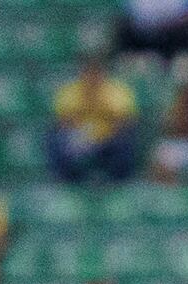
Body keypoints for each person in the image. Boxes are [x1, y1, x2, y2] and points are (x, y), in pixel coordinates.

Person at [49, 41, 145, 186]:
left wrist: (102, 136)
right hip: (79, 138)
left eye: (96, 72)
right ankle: (66, 183)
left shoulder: (118, 91)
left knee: (126, 140)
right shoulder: (69, 92)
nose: (92, 76)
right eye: (88, 71)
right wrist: (83, 135)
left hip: (109, 140)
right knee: (55, 138)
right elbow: (62, 122)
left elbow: (126, 121)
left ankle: (120, 184)